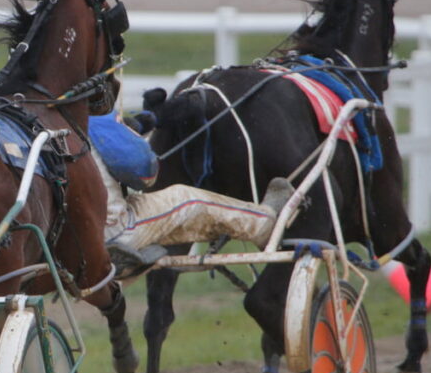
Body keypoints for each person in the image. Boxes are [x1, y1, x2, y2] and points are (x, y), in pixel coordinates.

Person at [87, 100, 293, 275]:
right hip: (111, 234)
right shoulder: (90, 120)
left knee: (163, 218)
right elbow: (146, 175)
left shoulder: (54, 124)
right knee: (188, 199)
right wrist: (126, 134)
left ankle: (134, 253)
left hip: (70, 242)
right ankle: (264, 224)